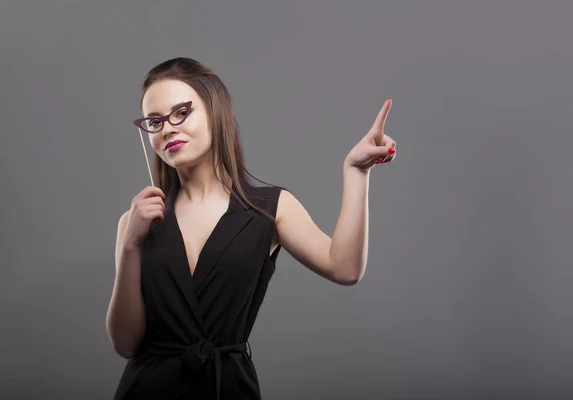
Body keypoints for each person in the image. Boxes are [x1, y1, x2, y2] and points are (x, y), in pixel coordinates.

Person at [106, 57, 397, 400]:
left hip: (227, 389)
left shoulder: (268, 208)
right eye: (155, 121)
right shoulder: (137, 221)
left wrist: (356, 172)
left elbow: (345, 267)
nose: (168, 128)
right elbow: (125, 343)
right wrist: (130, 245)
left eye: (181, 113)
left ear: (215, 112)